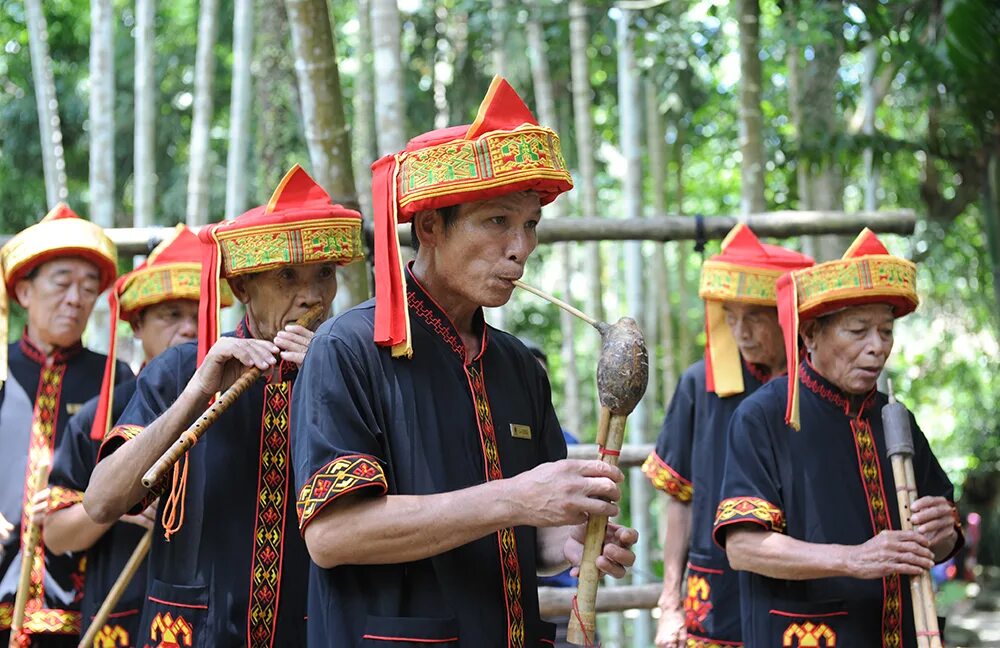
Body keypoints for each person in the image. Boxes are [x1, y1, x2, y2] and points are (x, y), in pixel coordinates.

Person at [292, 76, 638, 646]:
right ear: (430, 226)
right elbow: (334, 534)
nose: (520, 248)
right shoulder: (347, 349)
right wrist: (516, 496)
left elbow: (527, 532)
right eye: (497, 221)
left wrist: (572, 541)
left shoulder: (518, 366)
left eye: (530, 225)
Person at [82, 165, 363, 647]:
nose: (313, 295)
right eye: (288, 276)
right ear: (242, 289)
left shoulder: (355, 369)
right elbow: (102, 502)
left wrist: (326, 377)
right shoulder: (177, 369)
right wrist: (195, 394)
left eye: (324, 274)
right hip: (193, 634)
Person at [713, 229, 963, 645]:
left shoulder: (895, 418)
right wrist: (855, 558)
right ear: (810, 335)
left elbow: (939, 543)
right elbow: (743, 547)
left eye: (885, 332)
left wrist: (943, 533)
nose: (877, 347)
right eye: (858, 330)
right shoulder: (763, 415)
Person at [44, 225, 232, 646]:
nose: (187, 329)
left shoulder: (236, 402)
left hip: (209, 616)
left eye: (197, 314)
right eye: (170, 316)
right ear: (137, 327)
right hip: (119, 612)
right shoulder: (101, 415)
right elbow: (54, 535)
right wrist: (120, 504)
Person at [641, 224, 813, 648]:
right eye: (730, 317)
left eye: (754, 317)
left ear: (789, 315)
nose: (741, 333)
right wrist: (670, 603)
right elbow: (679, 498)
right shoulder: (699, 384)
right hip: (719, 590)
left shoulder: (823, 390)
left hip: (811, 591)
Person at [0, 204, 128, 647]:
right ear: (23, 292)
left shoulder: (117, 379)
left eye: (89, 288)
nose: (76, 299)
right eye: (62, 283)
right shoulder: (1, 370)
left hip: (87, 597)